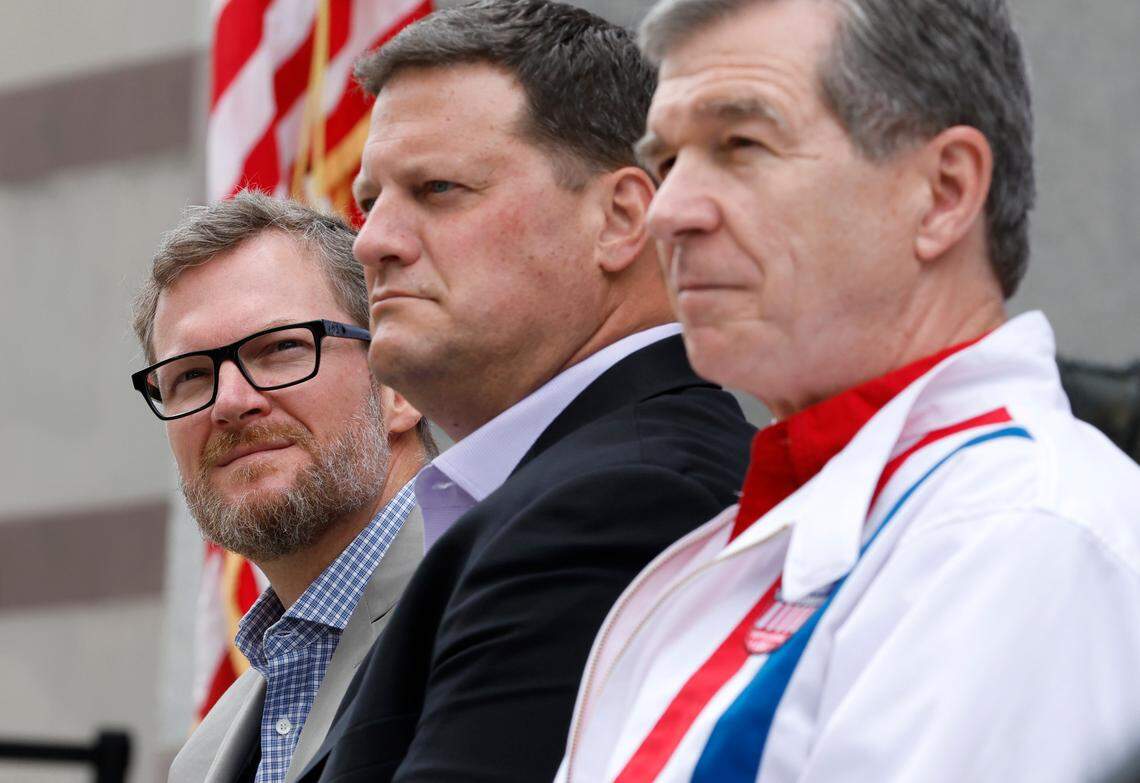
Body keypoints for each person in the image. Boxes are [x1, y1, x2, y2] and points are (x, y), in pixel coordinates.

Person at [555, 0, 1140, 781]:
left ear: (943, 192)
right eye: (667, 160)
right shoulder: (787, 527)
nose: (668, 212)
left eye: (741, 143)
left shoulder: (1019, 538)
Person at [295, 2, 755, 781]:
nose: (371, 242)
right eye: (371, 203)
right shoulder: (575, 485)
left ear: (621, 218)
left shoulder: (625, 500)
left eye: (437, 188)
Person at [130, 192, 435, 783]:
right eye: (190, 375)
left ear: (399, 384)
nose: (231, 402)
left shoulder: (502, 607)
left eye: (281, 349)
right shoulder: (201, 761)